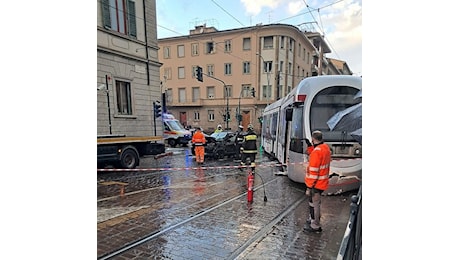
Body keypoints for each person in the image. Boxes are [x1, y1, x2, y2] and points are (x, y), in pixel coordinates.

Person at [304, 130, 331, 232]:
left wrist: (309, 187)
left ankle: (315, 225)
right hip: (323, 182)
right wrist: (311, 147)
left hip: (316, 184)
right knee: (313, 202)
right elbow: (317, 154)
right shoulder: (325, 148)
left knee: (315, 204)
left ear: (313, 139)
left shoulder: (316, 152)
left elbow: (314, 172)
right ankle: (312, 219)